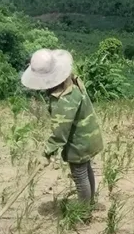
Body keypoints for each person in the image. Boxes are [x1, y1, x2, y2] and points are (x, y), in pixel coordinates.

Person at [21, 49, 104, 209]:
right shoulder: (73, 80)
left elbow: (60, 133)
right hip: (89, 135)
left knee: (80, 176)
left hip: (78, 143)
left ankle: (83, 212)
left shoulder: (63, 100)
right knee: (86, 170)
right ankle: (90, 203)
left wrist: (47, 152)